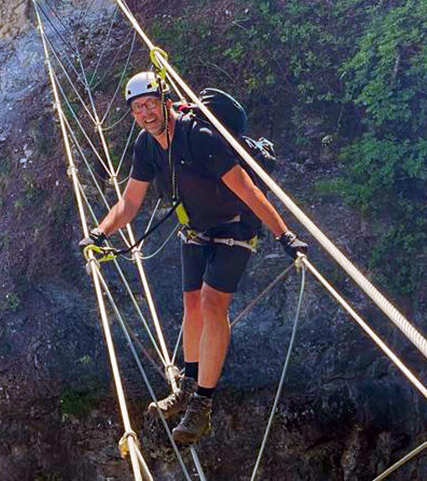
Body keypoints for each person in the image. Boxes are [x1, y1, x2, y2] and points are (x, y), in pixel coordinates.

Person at [78, 71, 308, 445]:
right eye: (138, 109)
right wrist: (100, 232)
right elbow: (130, 201)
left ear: (165, 100)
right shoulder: (146, 146)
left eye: (151, 103)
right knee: (191, 305)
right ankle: (187, 385)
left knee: (211, 302)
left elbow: (248, 191)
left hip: (234, 228)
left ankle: (202, 406)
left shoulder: (199, 138)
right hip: (196, 229)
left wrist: (286, 235)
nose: (147, 113)